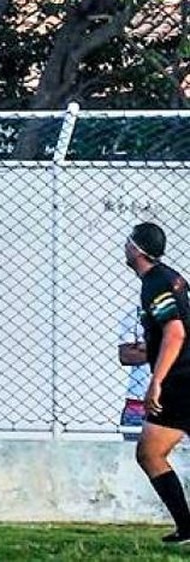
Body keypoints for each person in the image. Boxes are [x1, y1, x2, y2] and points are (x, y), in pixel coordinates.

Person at [125, 222, 190, 544]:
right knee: (150, 453)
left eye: (127, 243)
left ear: (136, 248)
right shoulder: (172, 277)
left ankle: (187, 528)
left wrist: (157, 381)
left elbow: (175, 331)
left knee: (150, 453)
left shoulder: (156, 283)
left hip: (180, 382)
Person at [117, 308, 148, 441]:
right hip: (139, 405)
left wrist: (145, 347)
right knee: (137, 458)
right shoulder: (136, 314)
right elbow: (126, 356)